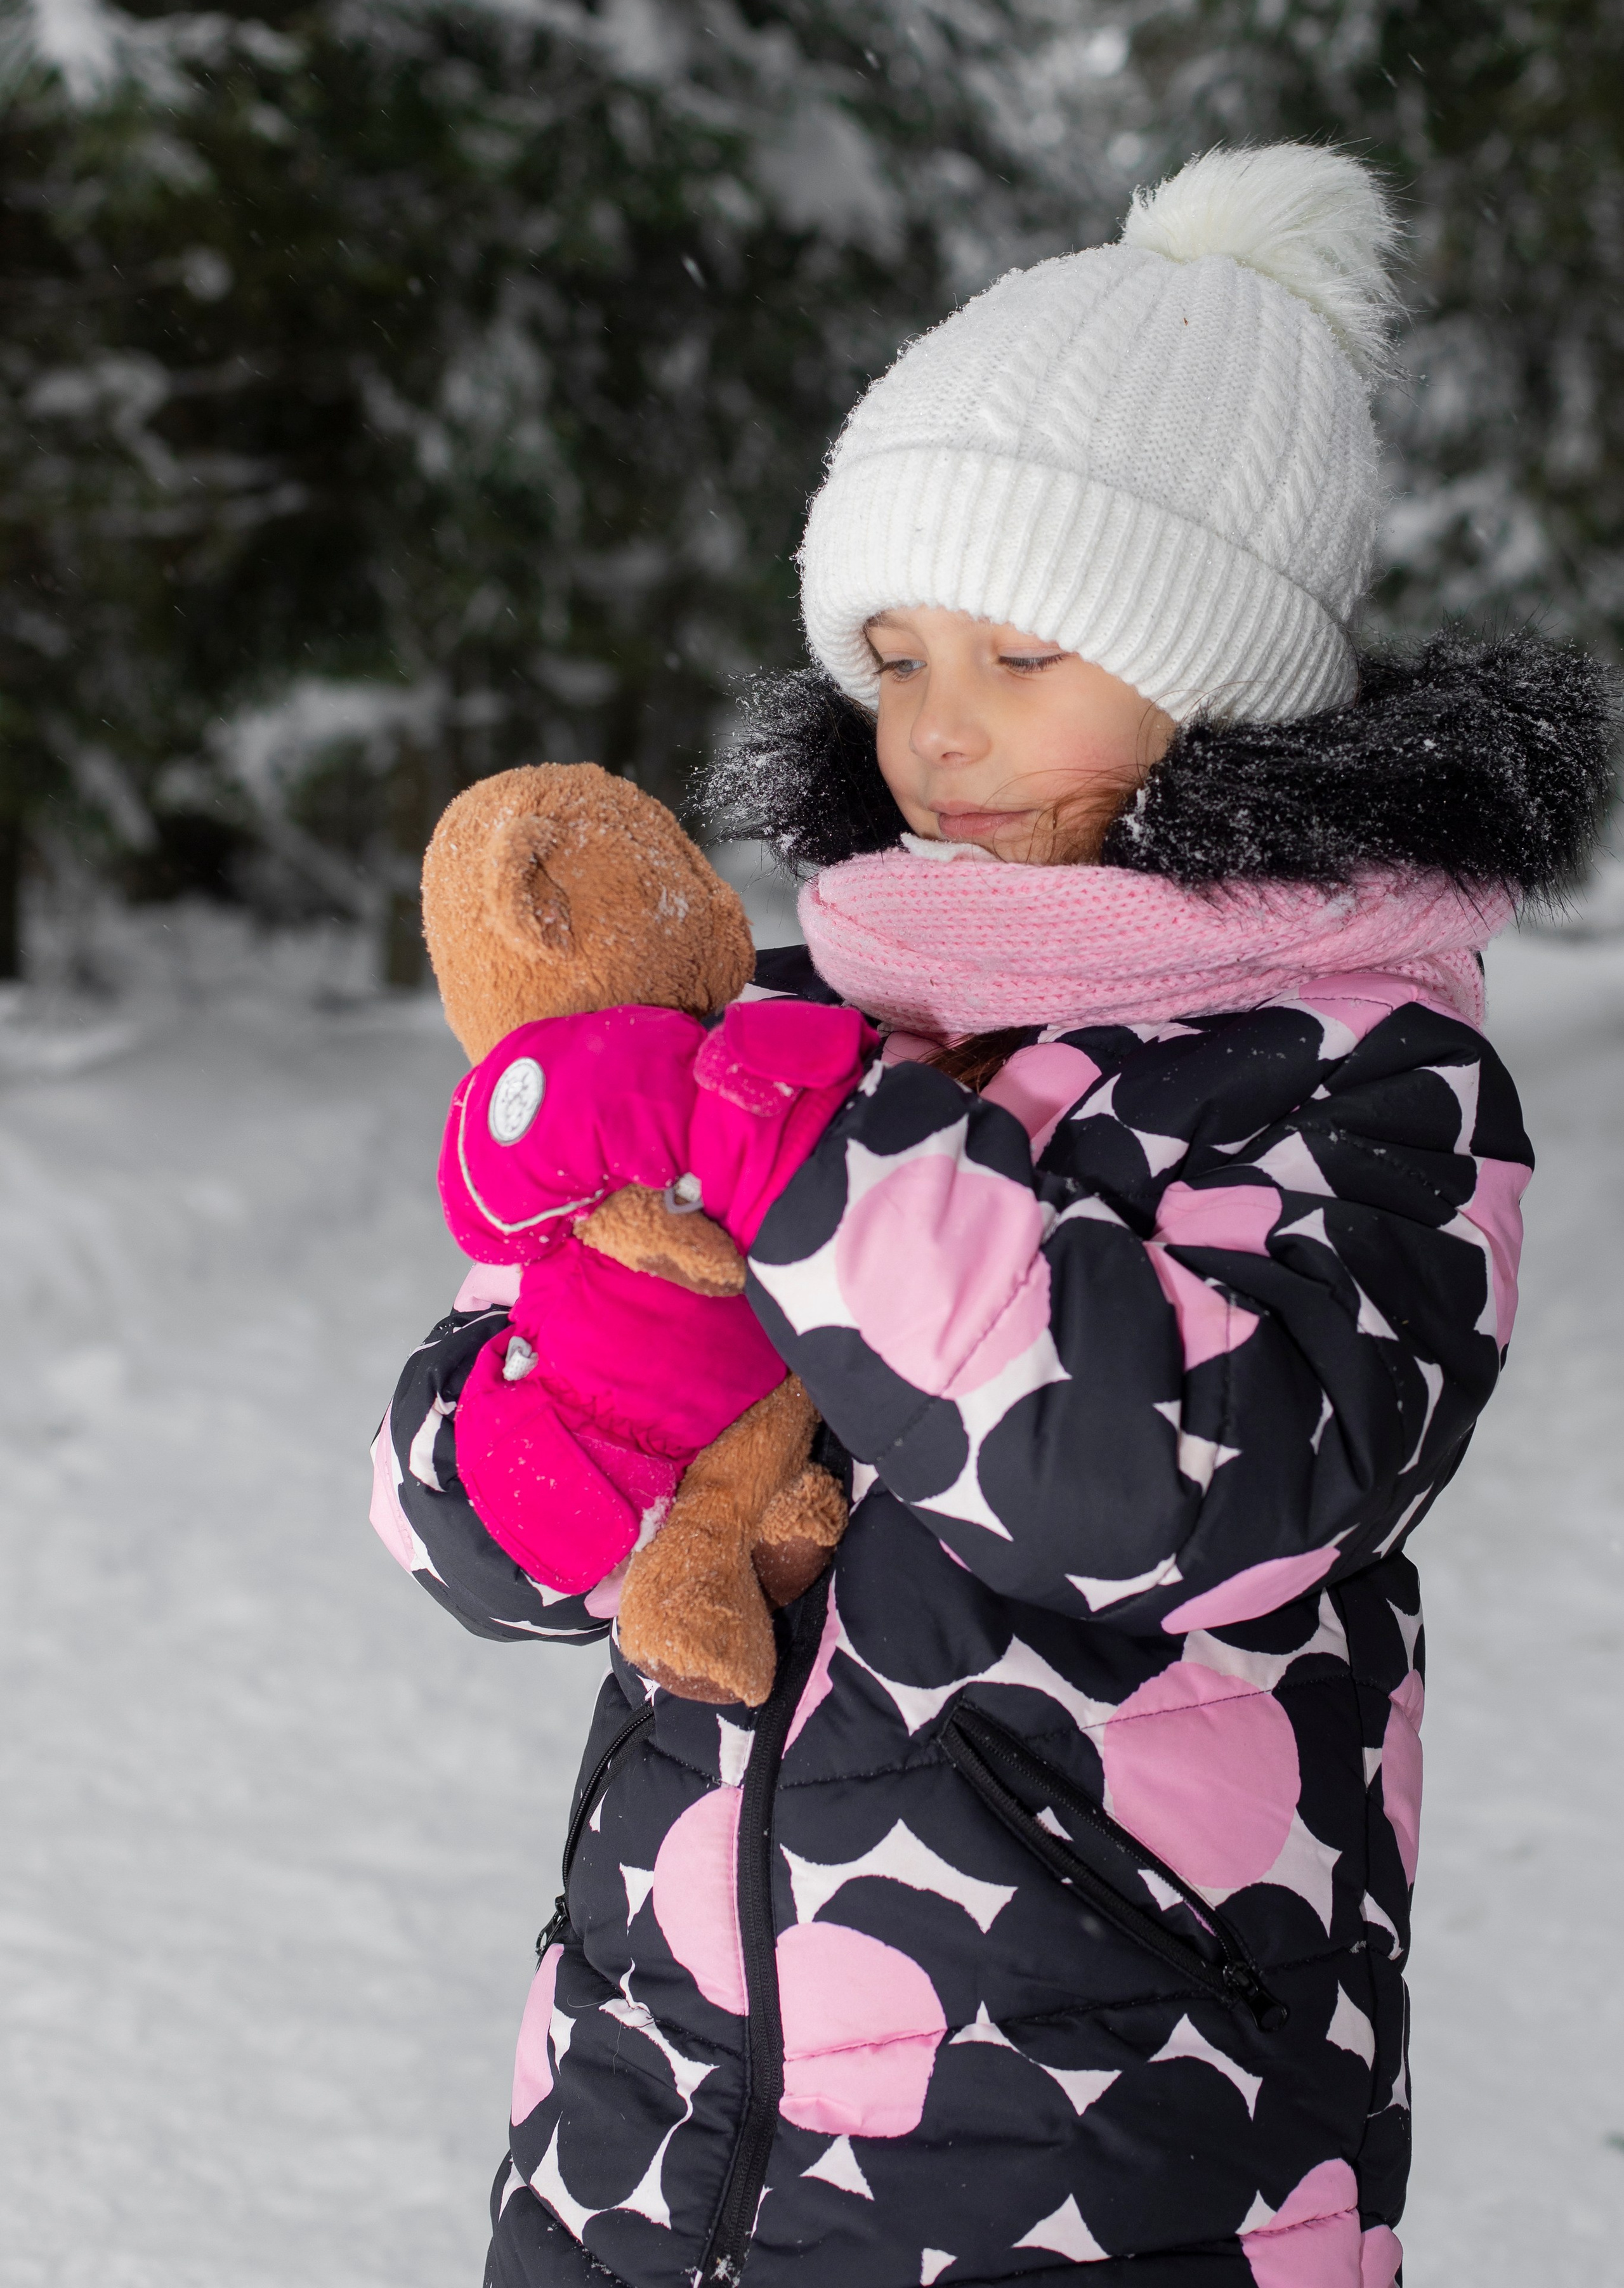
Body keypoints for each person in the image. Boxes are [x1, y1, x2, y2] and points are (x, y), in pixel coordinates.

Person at [373, 144, 1616, 2288]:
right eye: (894, 652)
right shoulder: (807, 1015)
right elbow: (456, 1535)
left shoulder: (1367, 1082)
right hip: (655, 2112)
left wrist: (819, 1165)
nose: (938, 735)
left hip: (1092, 2146)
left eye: (1028, 654)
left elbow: (1178, 1490)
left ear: (1221, 669)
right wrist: (560, 1416)